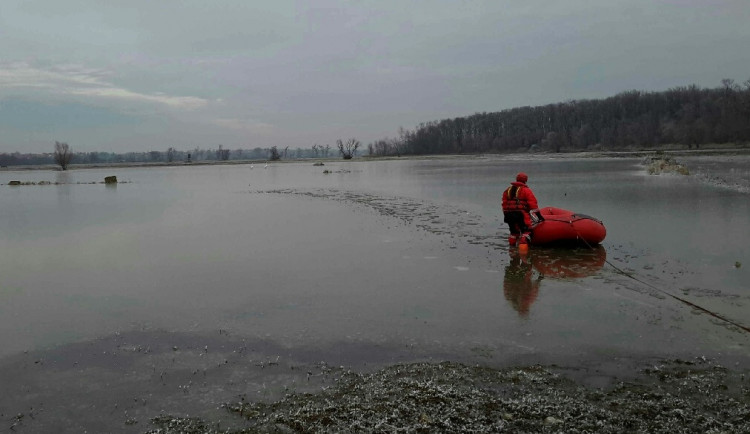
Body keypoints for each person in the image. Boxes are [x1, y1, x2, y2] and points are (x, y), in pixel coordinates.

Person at [502, 172, 540, 246]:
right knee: (526, 231)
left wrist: (505, 214)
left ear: (516, 179)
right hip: (521, 214)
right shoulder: (526, 190)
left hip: (509, 215)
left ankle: (512, 249)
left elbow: (504, 204)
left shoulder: (508, 190)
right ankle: (523, 251)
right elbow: (533, 203)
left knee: (514, 233)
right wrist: (538, 214)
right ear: (525, 180)